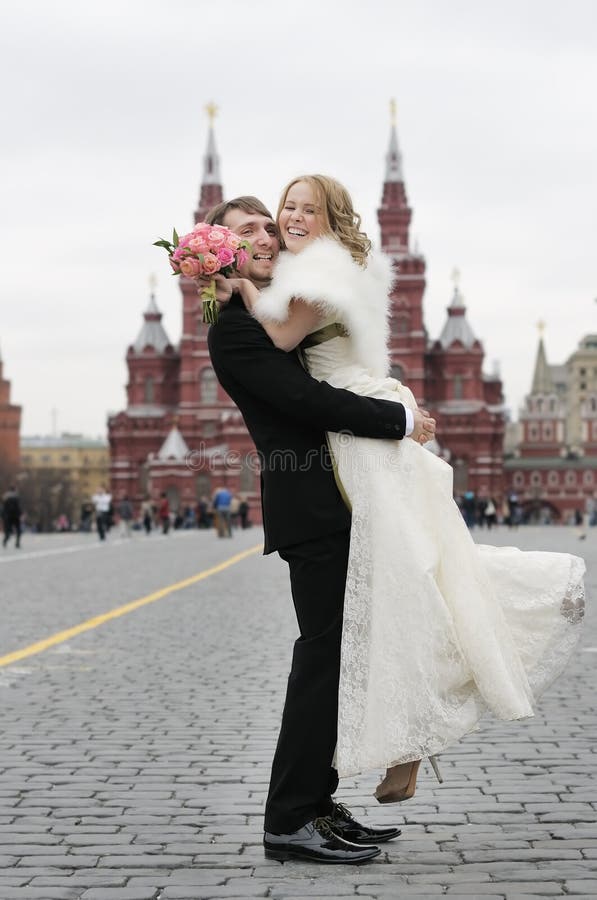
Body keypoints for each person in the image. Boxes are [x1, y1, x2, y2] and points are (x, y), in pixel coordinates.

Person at [224, 174, 586, 805]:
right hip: (350, 449)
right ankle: (366, 772)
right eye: (282, 211)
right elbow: (299, 386)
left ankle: (349, 782)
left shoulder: (314, 279)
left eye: (302, 211)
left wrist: (241, 284)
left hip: (363, 438)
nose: (285, 223)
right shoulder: (292, 292)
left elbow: (292, 356)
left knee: (405, 586)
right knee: (404, 588)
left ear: (334, 220)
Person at [205, 195, 436, 865]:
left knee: (334, 663)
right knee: (320, 663)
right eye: (249, 230)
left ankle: (317, 803)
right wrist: (395, 421)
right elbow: (305, 402)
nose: (268, 237)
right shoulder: (234, 331)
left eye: (270, 227)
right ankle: (287, 821)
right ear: (220, 248)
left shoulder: (272, 311)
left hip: (335, 501)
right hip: (308, 507)